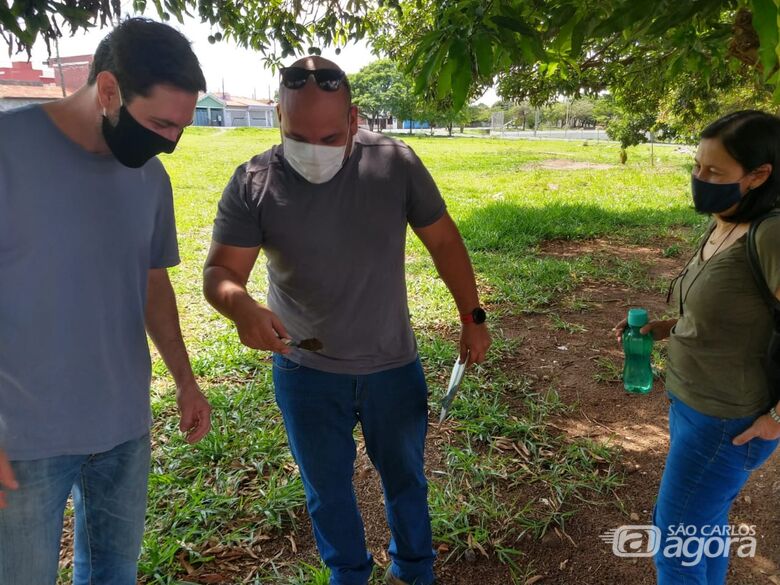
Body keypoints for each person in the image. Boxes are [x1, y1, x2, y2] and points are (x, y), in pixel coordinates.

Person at [203, 56, 491, 585]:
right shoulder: (254, 181)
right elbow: (222, 269)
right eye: (297, 135)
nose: (313, 149)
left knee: (407, 479)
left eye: (330, 135)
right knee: (327, 490)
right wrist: (239, 304)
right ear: (277, 119)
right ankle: (348, 576)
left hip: (392, 366)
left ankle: (414, 570)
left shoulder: (394, 163)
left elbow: (445, 240)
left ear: (355, 119)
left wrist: (472, 316)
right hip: (304, 371)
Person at [0, 18, 212, 585]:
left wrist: (186, 380)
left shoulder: (149, 179)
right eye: (161, 123)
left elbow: (151, 285)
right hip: (20, 440)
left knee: (115, 575)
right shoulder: (7, 151)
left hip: (123, 431)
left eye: (182, 127)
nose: (170, 141)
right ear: (110, 90)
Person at [614, 110, 780, 584]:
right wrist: (663, 328)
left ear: (758, 175)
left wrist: (779, 416)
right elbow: (721, 311)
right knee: (703, 528)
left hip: (727, 421)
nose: (699, 179)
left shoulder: (771, 234)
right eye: (697, 165)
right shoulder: (726, 222)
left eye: (714, 172)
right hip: (692, 405)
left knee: (674, 546)